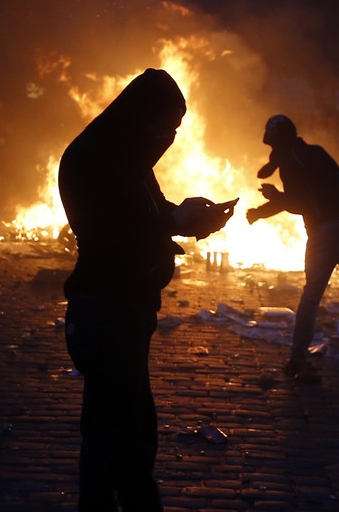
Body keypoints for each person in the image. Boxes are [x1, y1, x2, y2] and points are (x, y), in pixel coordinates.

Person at [58, 68, 236, 510]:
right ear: (140, 116)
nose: (168, 139)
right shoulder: (92, 159)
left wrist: (189, 218)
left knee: (130, 427)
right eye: (163, 128)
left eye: (175, 131)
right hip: (107, 308)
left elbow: (151, 213)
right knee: (114, 432)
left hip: (129, 309)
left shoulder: (129, 161)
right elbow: (112, 229)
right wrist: (172, 221)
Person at [246, 114, 339, 391]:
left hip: (326, 230)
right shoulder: (314, 152)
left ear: (277, 141)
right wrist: (264, 208)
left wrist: (269, 202)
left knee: (312, 295)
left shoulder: (291, 161)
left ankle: (297, 358)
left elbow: (298, 203)